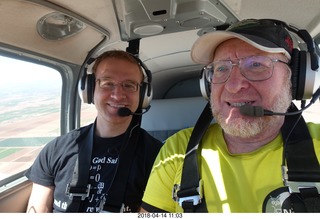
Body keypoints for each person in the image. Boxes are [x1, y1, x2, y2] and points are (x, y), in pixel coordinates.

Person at [140, 19, 320, 213]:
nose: (233, 85)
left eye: (256, 64)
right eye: (222, 68)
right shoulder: (178, 150)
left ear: (295, 79)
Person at [25, 50, 163, 213]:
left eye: (129, 85)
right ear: (89, 90)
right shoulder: (55, 150)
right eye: (107, 83)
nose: (118, 95)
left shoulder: (158, 157)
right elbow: (37, 210)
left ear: (143, 95)